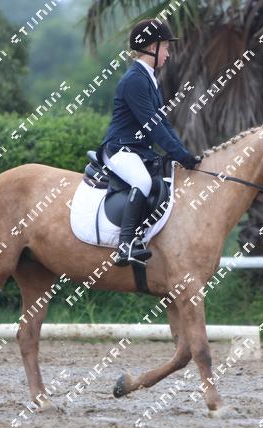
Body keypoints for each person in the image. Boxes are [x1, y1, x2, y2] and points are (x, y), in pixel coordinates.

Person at [99, 18, 201, 266]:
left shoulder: (149, 79)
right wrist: (180, 154)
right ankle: (125, 245)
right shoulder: (135, 80)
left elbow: (163, 122)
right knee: (143, 182)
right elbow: (152, 126)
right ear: (152, 47)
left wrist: (184, 154)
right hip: (120, 149)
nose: (168, 54)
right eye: (165, 47)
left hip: (138, 151)